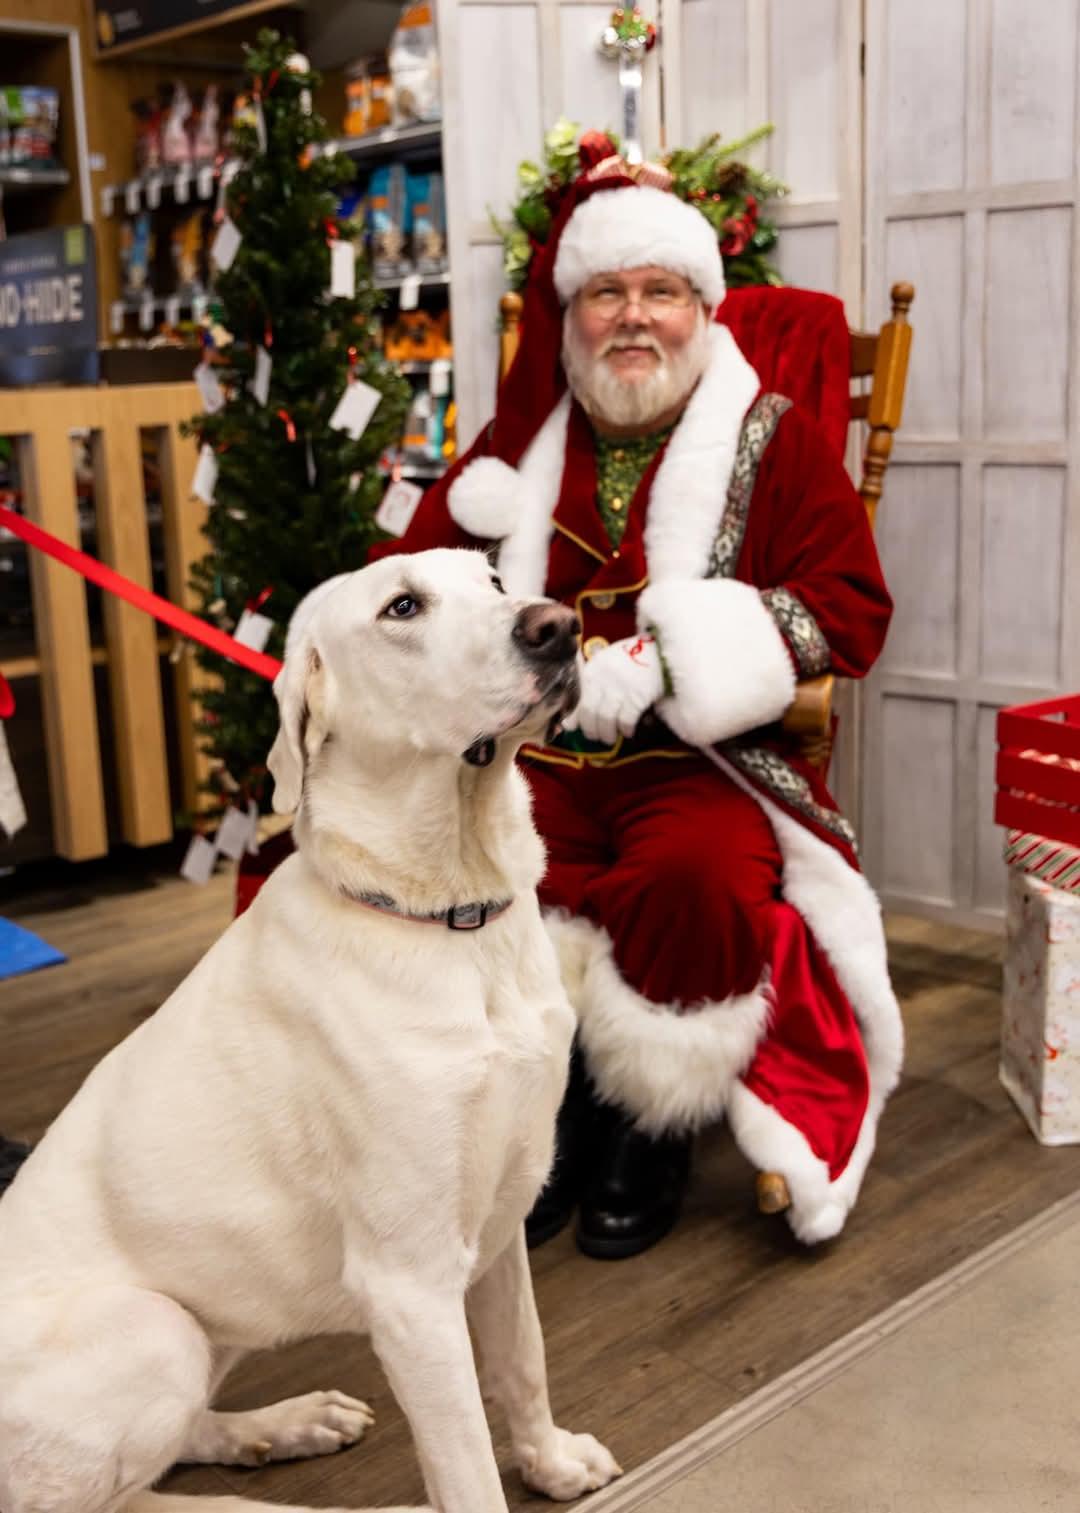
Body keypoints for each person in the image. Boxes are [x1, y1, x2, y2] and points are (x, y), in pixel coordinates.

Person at [368, 161, 904, 1258]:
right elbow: (406, 579)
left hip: (706, 761)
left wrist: (673, 661)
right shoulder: (515, 452)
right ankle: (550, 1094)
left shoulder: (775, 439)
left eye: (660, 292)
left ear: (703, 309)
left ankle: (644, 1120)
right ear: (570, 319)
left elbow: (846, 607)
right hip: (540, 756)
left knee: (691, 877)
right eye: (606, 294)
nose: (633, 319)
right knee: (473, 855)